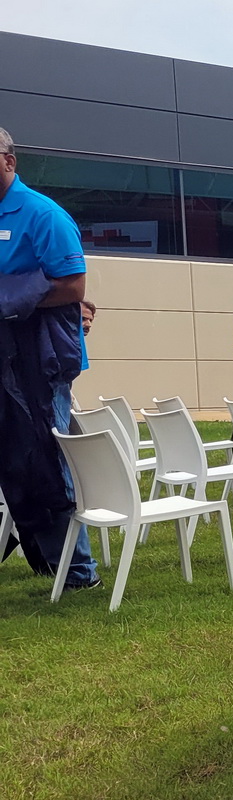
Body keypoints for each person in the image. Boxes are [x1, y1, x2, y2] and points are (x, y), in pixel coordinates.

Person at [0, 124, 96, 588]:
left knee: (45, 458)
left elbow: (74, 288)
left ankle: (77, 572)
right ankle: (44, 558)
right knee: (12, 460)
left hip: (41, 360)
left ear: (8, 161)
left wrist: (11, 299)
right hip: (4, 356)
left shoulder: (43, 214)